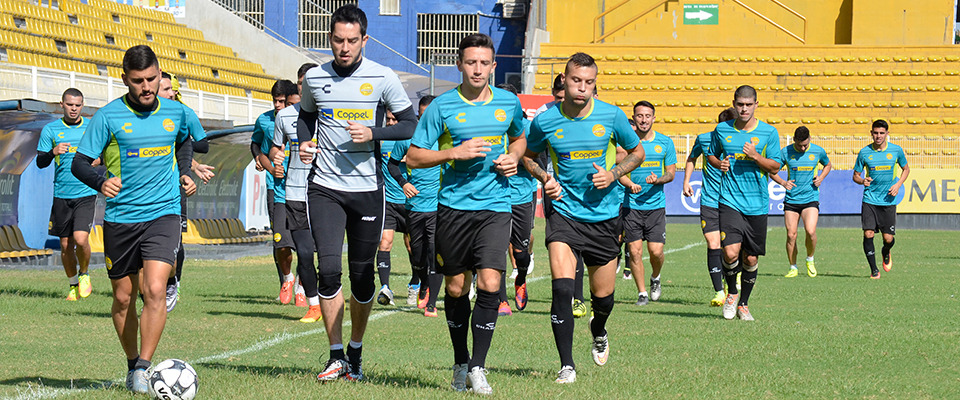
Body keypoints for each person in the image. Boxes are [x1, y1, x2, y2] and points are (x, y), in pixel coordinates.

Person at [296, 4, 417, 382]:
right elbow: (305, 116)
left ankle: (355, 353)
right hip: (324, 189)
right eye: (337, 40)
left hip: (367, 190)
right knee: (328, 271)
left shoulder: (382, 77)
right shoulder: (315, 78)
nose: (344, 47)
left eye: (352, 41)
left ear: (364, 39)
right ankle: (335, 355)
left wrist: (373, 133)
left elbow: (409, 123)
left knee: (362, 278)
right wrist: (304, 142)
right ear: (329, 39)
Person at [71, 44, 196, 394]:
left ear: (160, 75)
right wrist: (101, 180)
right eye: (138, 81)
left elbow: (185, 141)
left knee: (155, 288)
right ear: (124, 79)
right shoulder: (109, 117)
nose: (146, 87)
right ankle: (131, 364)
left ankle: (144, 367)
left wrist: (185, 171)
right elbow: (79, 162)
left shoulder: (175, 111)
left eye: (152, 79)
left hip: (164, 213)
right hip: (122, 218)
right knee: (124, 297)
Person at [406, 33, 526, 395]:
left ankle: (478, 367)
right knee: (457, 288)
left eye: (484, 63)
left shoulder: (509, 102)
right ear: (459, 64)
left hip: (495, 207)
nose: (477, 69)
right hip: (453, 210)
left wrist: (514, 157)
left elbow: (520, 138)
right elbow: (413, 156)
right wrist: (453, 153)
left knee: (490, 284)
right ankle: (460, 361)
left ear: (493, 65)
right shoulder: (442, 107)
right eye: (470, 62)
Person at [523, 52, 642, 384]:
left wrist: (614, 173)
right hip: (564, 214)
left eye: (589, 82)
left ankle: (599, 328)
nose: (582, 88)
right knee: (562, 289)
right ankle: (567, 365)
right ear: (564, 79)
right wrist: (544, 178)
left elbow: (638, 153)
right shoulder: (546, 121)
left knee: (602, 299)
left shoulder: (612, 116)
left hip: (604, 217)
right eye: (576, 81)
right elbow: (528, 159)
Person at [706, 85, 782, 321]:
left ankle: (744, 305)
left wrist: (756, 156)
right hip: (729, 200)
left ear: (756, 105)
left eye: (749, 105)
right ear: (734, 104)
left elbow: (776, 167)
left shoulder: (769, 133)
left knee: (750, 258)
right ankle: (732, 294)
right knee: (730, 253)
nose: (744, 109)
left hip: (757, 204)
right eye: (740, 105)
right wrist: (720, 164)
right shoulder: (721, 130)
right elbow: (711, 154)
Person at [36, 88, 98, 301]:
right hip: (62, 193)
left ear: (83, 106)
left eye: (78, 105)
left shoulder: (91, 127)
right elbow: (40, 162)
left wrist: (99, 160)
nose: (74, 108)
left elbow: (106, 153)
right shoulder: (51, 130)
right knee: (65, 245)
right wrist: (53, 152)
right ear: (62, 104)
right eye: (70, 104)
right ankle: (73, 285)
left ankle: (85, 274)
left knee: (81, 240)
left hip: (86, 192)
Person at [270, 64, 320, 321]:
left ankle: (324, 295)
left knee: (326, 254)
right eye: (302, 83)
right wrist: (275, 158)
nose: (306, 87)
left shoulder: (332, 115)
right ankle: (313, 302)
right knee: (303, 252)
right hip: (294, 192)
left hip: (326, 193)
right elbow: (274, 149)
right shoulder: (285, 116)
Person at [157, 71, 210, 312]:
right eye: (166, 90)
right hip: (143, 190)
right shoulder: (137, 117)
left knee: (174, 241)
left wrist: (189, 169)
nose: (172, 94)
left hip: (172, 188)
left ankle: (171, 282)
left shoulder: (183, 114)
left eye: (172, 89)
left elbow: (198, 144)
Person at [387, 95, 443, 317]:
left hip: (438, 207)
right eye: (422, 113)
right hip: (414, 207)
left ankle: (432, 304)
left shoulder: (445, 138)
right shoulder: (407, 138)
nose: (425, 118)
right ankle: (423, 283)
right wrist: (404, 183)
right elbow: (392, 165)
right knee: (417, 256)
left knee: (435, 253)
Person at [618, 100, 676, 306]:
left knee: (656, 252)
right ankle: (642, 293)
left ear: (653, 118)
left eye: (647, 116)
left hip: (656, 206)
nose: (643, 120)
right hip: (631, 206)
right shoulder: (625, 145)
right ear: (634, 118)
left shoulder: (665, 142)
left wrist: (658, 179)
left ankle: (655, 278)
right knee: (634, 251)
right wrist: (629, 184)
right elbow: (618, 173)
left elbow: (671, 173)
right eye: (640, 116)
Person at [683, 107, 738, 306]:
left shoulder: (741, 142)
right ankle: (719, 292)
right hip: (709, 200)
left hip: (733, 202)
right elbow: (692, 157)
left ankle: (734, 276)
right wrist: (686, 181)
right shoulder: (705, 139)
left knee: (731, 249)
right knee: (713, 244)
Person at [495, 83, 537, 314]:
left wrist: (515, 158)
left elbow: (537, 161)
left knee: (521, 252)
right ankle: (501, 299)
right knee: (497, 248)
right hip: (495, 195)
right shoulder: (490, 126)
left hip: (521, 195)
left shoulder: (528, 128)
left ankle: (521, 277)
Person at [770, 126, 832, 278]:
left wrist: (821, 178)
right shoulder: (785, 152)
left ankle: (810, 259)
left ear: (810, 138)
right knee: (791, 235)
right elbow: (772, 171)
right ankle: (793, 267)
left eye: (805, 144)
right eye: (799, 145)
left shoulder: (818, 151)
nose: (803, 148)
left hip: (810, 198)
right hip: (791, 200)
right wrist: (783, 183)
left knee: (810, 231)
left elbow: (828, 164)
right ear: (794, 140)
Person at [853, 120, 909, 279]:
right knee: (868, 233)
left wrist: (898, 184)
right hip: (870, 199)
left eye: (881, 133)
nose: (878, 136)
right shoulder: (864, 153)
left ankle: (886, 252)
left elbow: (906, 169)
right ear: (871, 133)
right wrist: (862, 180)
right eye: (876, 133)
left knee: (888, 239)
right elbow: (855, 176)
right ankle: (874, 270)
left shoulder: (896, 151)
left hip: (888, 200)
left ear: (887, 134)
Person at [376, 109, 413, 306]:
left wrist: (411, 159)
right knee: (385, 242)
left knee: (412, 246)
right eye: (388, 119)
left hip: (411, 201)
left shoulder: (411, 138)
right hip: (388, 200)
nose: (390, 123)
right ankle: (385, 288)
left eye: (394, 119)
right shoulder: (381, 140)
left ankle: (416, 285)